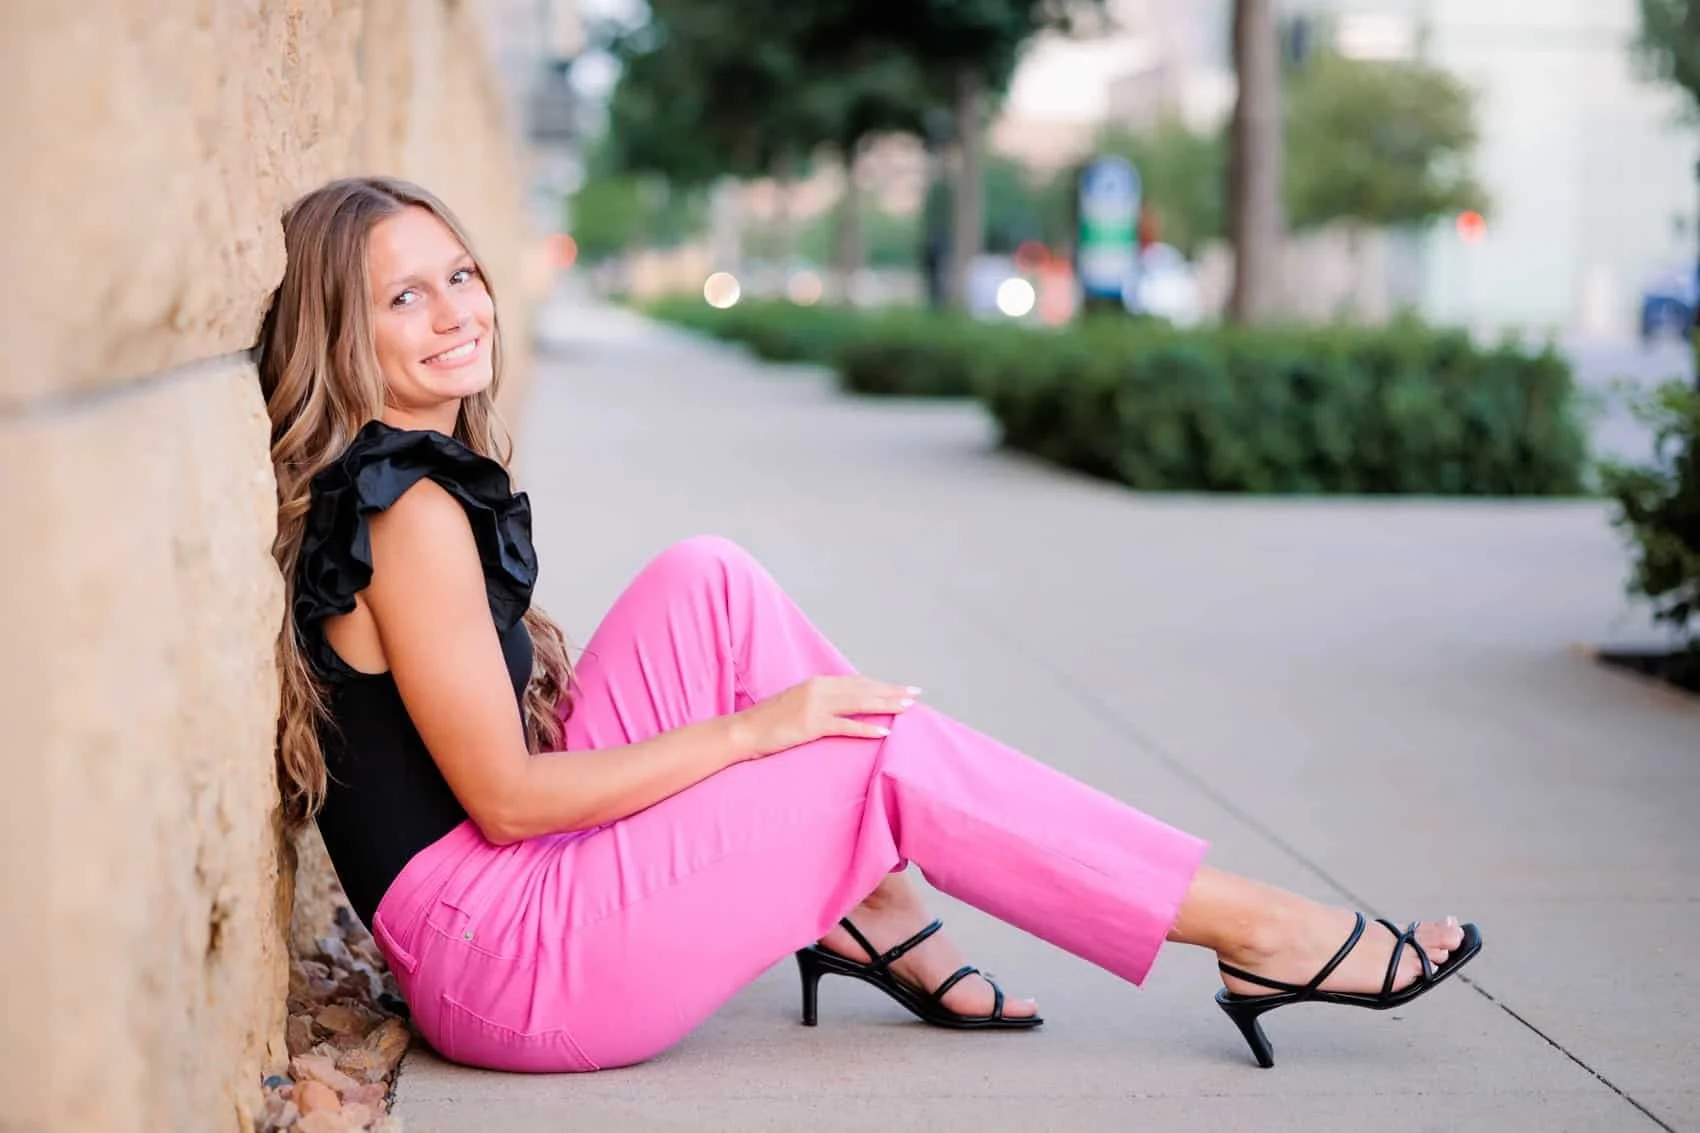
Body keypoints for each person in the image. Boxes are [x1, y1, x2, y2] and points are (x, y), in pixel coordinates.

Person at [256, 176, 1482, 1076]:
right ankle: (1256, 929)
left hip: (496, 900)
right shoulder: (405, 509)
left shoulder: (404, 478)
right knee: (860, 750)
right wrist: (757, 732)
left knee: (709, 577)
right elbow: (514, 801)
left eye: (459, 273)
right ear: (340, 331)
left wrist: (767, 723)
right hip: (508, 959)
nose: (453, 310)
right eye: (403, 296)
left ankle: (871, 907)